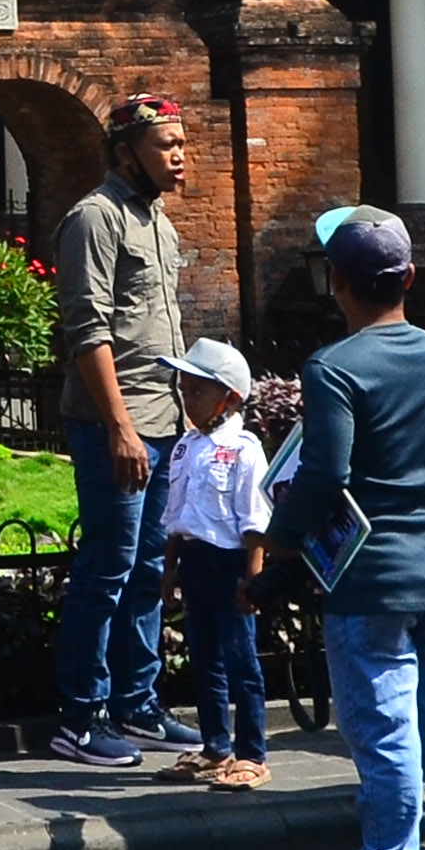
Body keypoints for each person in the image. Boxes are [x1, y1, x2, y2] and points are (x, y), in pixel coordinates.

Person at [278, 207, 425, 850]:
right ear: (411, 277)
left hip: (370, 575)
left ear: (336, 282)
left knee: (386, 725)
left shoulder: (333, 368)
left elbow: (324, 473)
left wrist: (277, 552)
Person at [46, 94, 199, 768]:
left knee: (148, 569)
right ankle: (81, 716)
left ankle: (138, 703)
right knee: (107, 566)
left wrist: (188, 416)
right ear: (124, 151)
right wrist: (120, 428)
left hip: (166, 418)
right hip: (118, 423)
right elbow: (89, 329)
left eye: (181, 142)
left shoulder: (158, 222)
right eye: (165, 143)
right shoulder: (94, 219)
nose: (179, 154)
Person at [154, 338, 274, 791]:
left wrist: (253, 579)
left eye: (199, 391)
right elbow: (177, 517)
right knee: (204, 659)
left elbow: (254, 521)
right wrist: (169, 571)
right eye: (184, 389)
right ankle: (215, 747)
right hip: (196, 563)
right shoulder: (187, 447)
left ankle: (252, 753)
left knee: (241, 660)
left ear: (230, 398)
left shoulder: (244, 449)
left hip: (230, 566)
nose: (188, 399)